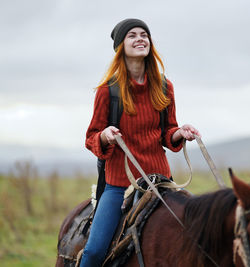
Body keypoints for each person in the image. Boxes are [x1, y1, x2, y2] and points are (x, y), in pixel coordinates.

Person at [80, 18, 201, 266]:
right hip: (119, 185)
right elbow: (91, 137)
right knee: (93, 252)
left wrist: (181, 132)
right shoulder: (108, 91)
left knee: (195, 240)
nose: (140, 39)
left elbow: (168, 132)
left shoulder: (165, 87)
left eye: (144, 34)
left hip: (161, 182)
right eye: (132, 35)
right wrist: (104, 136)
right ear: (120, 47)